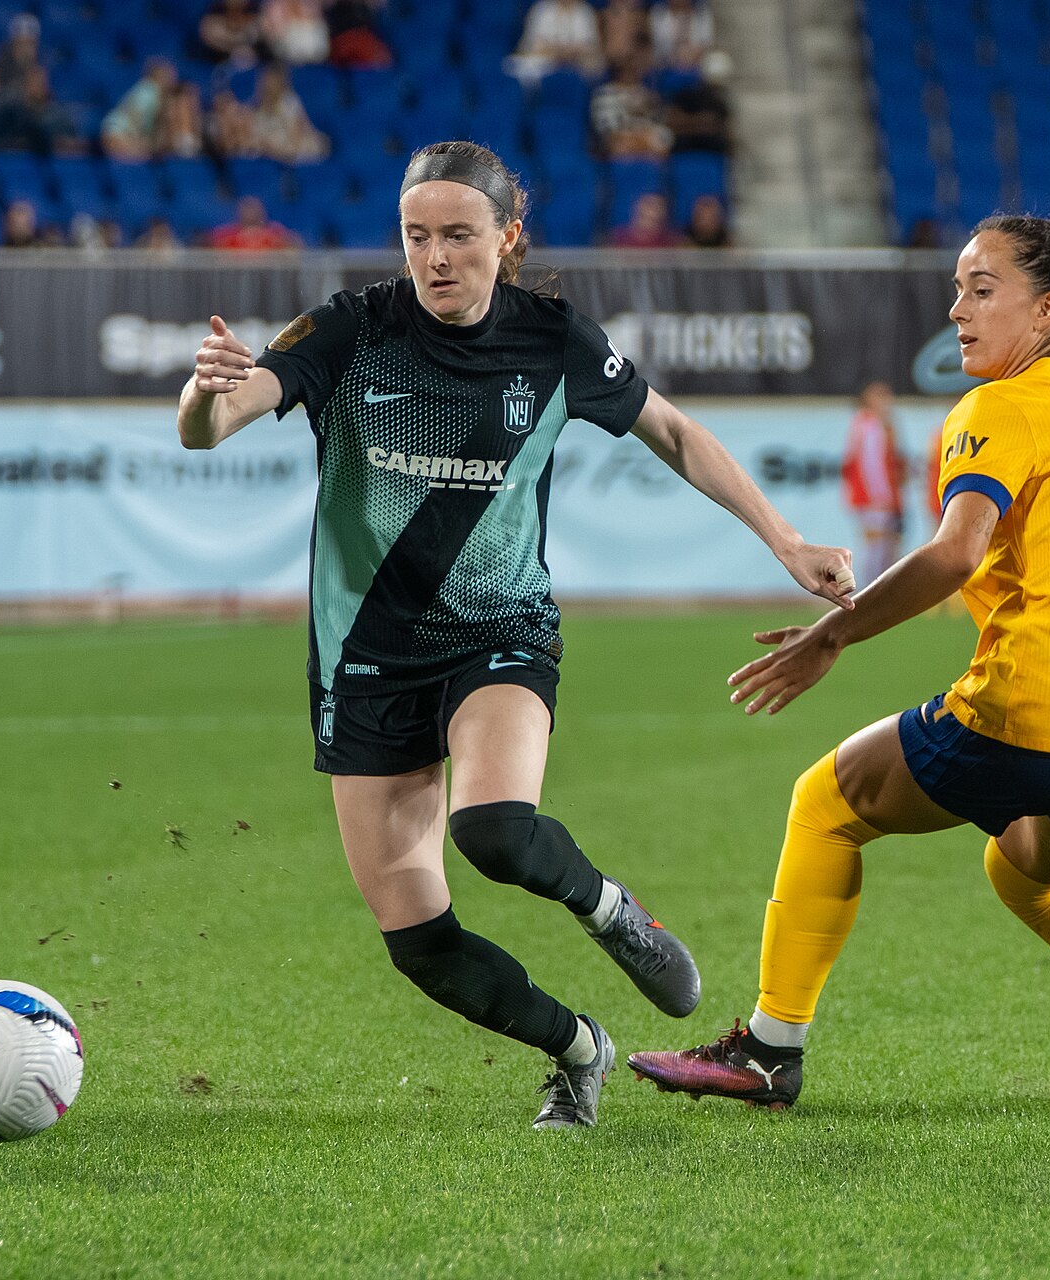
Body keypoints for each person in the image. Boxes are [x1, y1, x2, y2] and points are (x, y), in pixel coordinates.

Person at [176, 140, 854, 1130]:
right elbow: (218, 422)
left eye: (458, 234)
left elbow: (673, 431)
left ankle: (610, 907)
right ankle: (578, 1050)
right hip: (363, 656)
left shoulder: (553, 338)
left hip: (501, 631)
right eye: (418, 236)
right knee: (418, 941)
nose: (436, 256)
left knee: (492, 828)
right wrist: (204, 390)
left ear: (508, 237)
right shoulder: (352, 329)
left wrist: (787, 542)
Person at [629, 214, 1050, 1111]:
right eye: (958, 287)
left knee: (824, 804)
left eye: (981, 289)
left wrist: (832, 634)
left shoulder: (1001, 406)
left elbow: (958, 552)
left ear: (1046, 310)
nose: (956, 307)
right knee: (1023, 871)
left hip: (1041, 705)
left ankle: (768, 1052)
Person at [840, 381, 908, 580]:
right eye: (881, 396)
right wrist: (881, 496)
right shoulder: (870, 426)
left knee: (883, 546)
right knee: (878, 547)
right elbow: (872, 466)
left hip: (874, 496)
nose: (887, 401)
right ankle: (870, 592)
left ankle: (873, 590)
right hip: (874, 497)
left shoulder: (871, 424)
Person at [204, 195, 299, 251]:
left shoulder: (275, 232)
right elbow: (204, 247)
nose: (250, 212)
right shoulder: (227, 233)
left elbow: (296, 245)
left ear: (262, 211)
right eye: (247, 207)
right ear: (238, 212)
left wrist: (284, 242)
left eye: (253, 207)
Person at [609, 191, 683, 247]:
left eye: (659, 207)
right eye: (649, 204)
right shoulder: (615, 238)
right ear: (635, 208)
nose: (653, 212)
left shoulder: (673, 242)